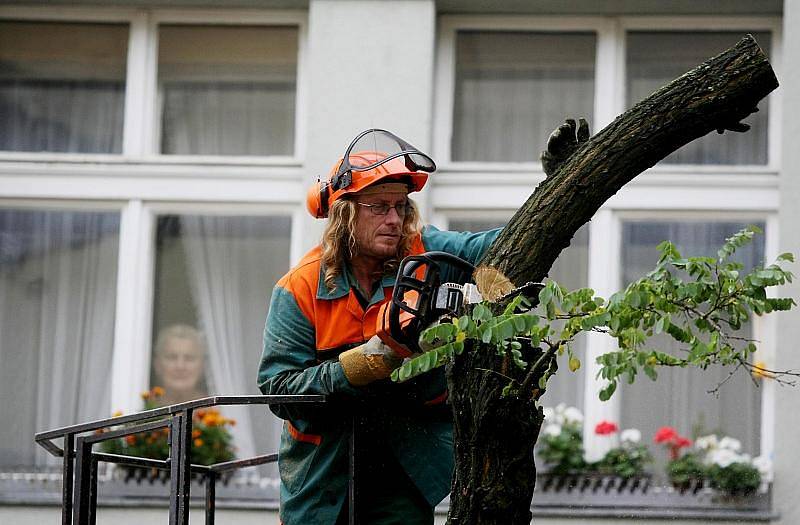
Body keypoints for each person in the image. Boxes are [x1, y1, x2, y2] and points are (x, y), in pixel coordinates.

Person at [257, 129, 501, 525]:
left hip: (404, 468)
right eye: (379, 207)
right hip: (322, 477)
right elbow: (279, 389)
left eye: (401, 207)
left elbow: (500, 245)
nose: (394, 219)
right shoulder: (300, 287)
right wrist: (360, 365)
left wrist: (557, 189)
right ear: (345, 213)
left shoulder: (422, 251)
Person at [152, 324, 208, 405]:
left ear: (202, 366)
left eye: (189, 358)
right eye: (172, 357)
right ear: (158, 365)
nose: (180, 366)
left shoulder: (216, 410)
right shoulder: (144, 409)